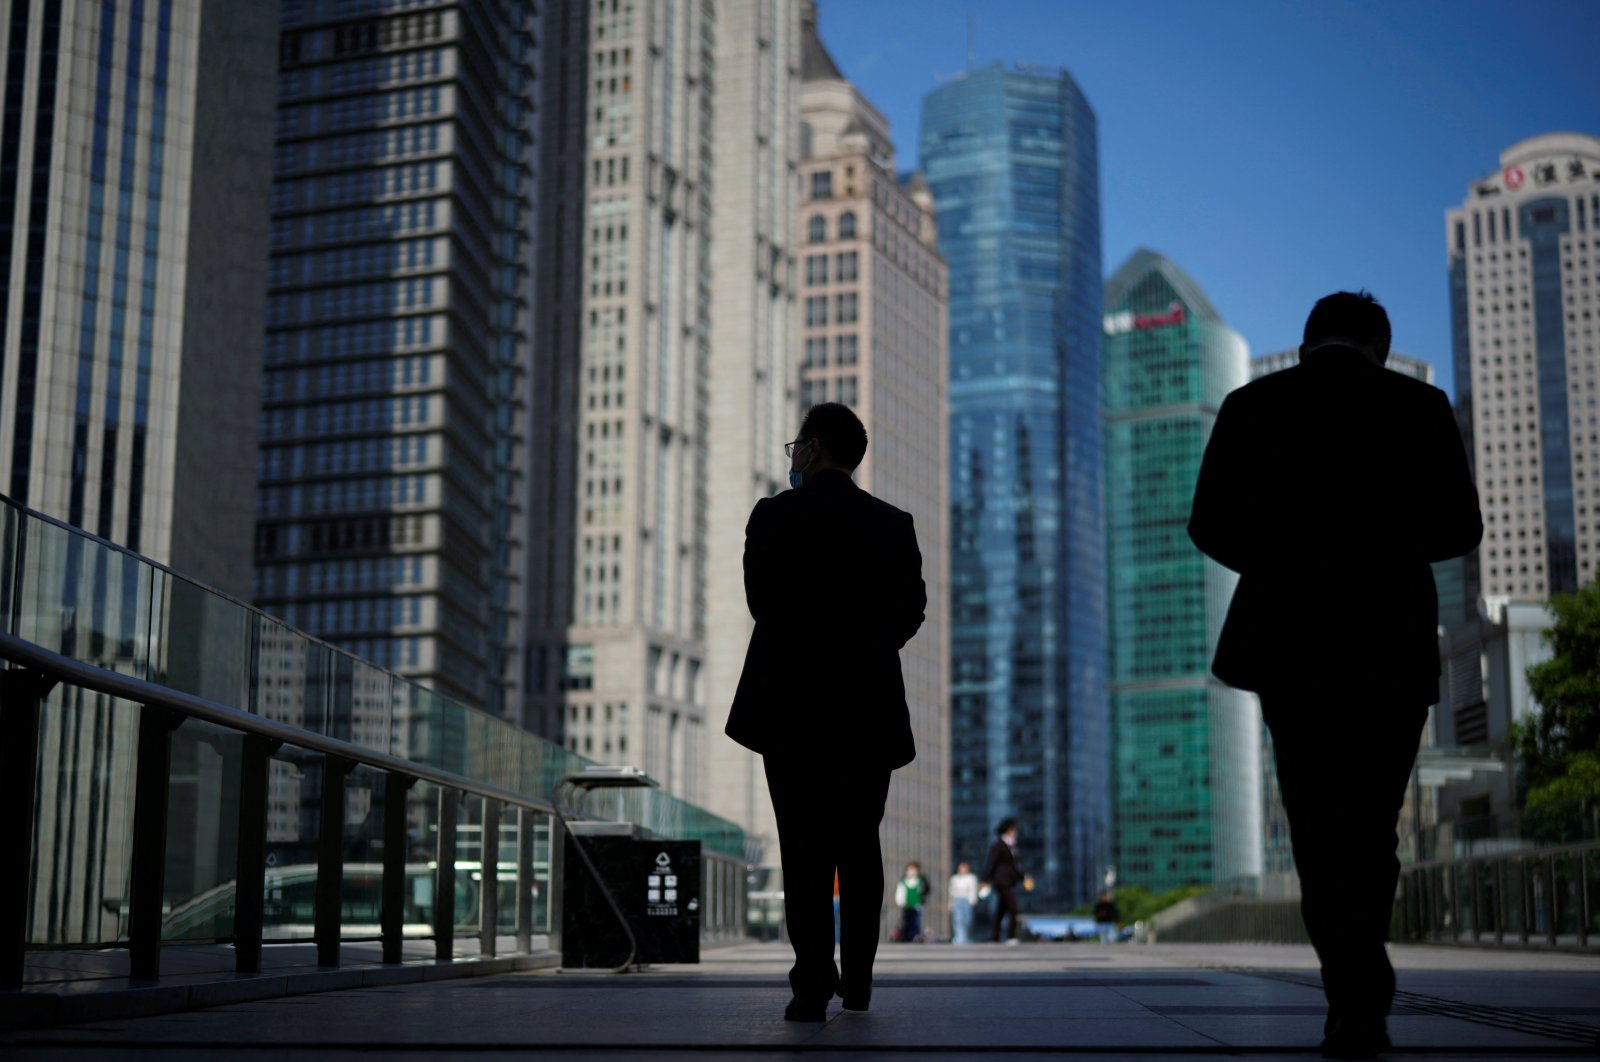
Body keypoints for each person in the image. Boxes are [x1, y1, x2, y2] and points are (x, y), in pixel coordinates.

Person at [1188, 291, 1481, 1060]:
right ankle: (1361, 977)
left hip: (1293, 645)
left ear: (1310, 338)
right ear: (1378, 345)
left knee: (1315, 820)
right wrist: (1381, 545)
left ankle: (1348, 985)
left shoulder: (1255, 405)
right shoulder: (1418, 405)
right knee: (1372, 823)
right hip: (1390, 644)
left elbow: (1207, 522)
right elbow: (1462, 525)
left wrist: (1286, 559)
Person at [726, 402, 927, 1022]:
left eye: (796, 448)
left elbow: (760, 601)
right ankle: (860, 981)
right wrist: (864, 647)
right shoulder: (893, 524)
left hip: (789, 708)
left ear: (810, 449)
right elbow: (911, 611)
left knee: (803, 847)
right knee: (859, 845)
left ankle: (812, 982)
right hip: (866, 709)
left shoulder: (774, 516)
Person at [982, 818, 1032, 944]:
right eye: (1013, 829)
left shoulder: (1012, 847)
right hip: (1001, 881)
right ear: (1008, 830)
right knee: (1014, 908)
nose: (1015, 831)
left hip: (1009, 881)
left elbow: (1013, 867)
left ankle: (995, 937)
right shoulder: (998, 845)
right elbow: (990, 863)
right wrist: (985, 880)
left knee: (1001, 910)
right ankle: (1011, 936)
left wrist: (1023, 877)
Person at [893, 863, 928, 943]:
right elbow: (900, 892)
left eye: (914, 870)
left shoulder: (920, 881)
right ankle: (907, 936)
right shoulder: (903, 882)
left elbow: (924, 891)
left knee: (917, 921)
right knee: (906, 921)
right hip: (907, 905)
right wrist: (900, 901)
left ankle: (916, 935)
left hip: (917, 905)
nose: (912, 872)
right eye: (910, 870)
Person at [948, 861, 979, 944]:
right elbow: (951, 892)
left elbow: (973, 889)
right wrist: (950, 904)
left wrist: (973, 899)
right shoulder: (954, 878)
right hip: (957, 899)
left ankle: (966, 936)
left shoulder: (971, 878)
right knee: (958, 919)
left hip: (967, 900)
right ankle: (959, 937)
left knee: (967, 919)